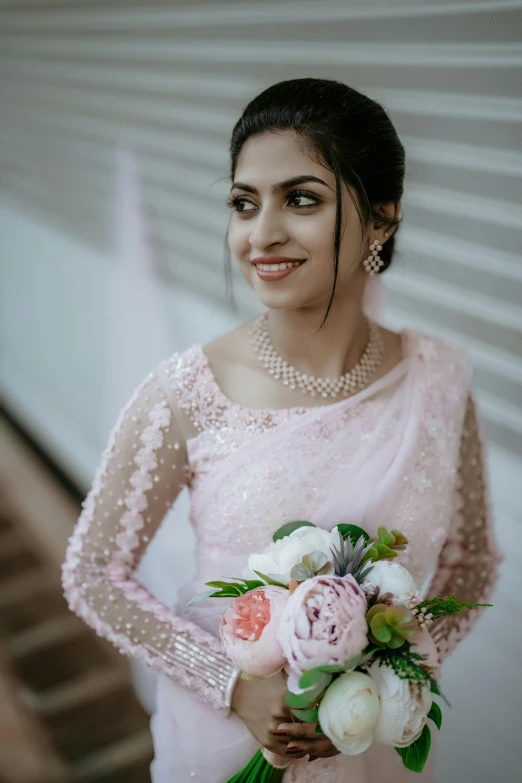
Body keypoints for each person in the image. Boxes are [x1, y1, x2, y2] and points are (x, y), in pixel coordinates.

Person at [61, 78, 503, 783]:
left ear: (382, 218)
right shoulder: (187, 392)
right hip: (223, 740)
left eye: (301, 198)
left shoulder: (439, 381)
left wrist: (392, 678)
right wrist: (230, 683)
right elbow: (93, 574)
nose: (260, 232)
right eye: (244, 202)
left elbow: (472, 563)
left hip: (375, 747)